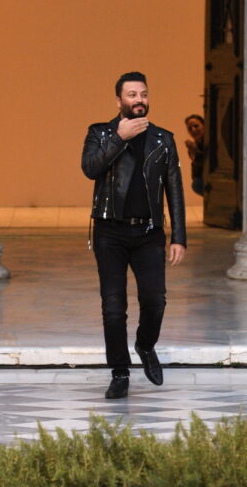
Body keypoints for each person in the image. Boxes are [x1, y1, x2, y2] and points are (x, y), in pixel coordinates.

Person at [81, 71, 187, 399]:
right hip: (109, 232)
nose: (139, 99)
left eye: (143, 94)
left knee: (155, 300)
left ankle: (145, 345)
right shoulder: (99, 133)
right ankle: (120, 372)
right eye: (131, 95)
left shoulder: (163, 139)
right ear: (119, 101)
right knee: (113, 307)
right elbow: (90, 169)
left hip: (149, 232)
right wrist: (119, 137)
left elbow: (174, 188)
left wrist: (179, 236)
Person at [183, 114, 205, 196]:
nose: (193, 130)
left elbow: (207, 162)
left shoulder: (208, 141)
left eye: (196, 126)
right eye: (190, 128)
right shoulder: (196, 144)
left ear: (204, 125)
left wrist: (195, 151)